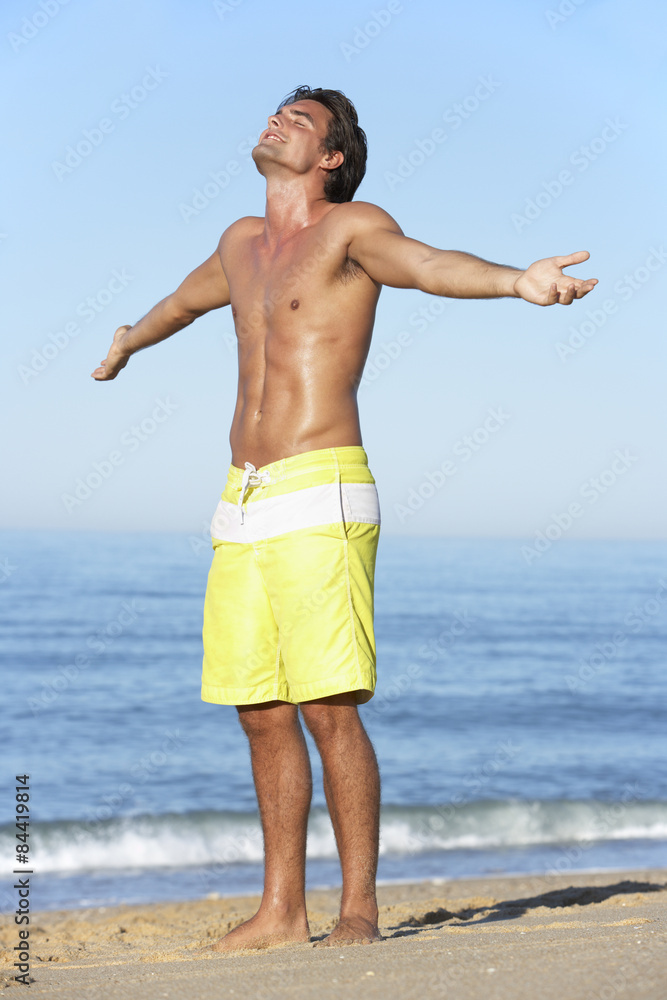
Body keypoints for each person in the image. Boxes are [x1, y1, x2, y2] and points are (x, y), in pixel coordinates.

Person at [92, 85, 598, 950]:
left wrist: (519, 281)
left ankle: (356, 909)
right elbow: (185, 301)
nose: (278, 120)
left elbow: (430, 265)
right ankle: (280, 911)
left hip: (321, 487)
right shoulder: (241, 244)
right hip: (241, 496)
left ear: (330, 157)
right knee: (258, 709)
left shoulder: (352, 229)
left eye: (302, 119)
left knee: (327, 704)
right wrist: (130, 340)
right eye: (276, 110)